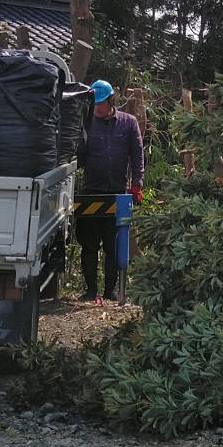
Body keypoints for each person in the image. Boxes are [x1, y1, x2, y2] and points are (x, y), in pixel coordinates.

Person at [76, 80, 144, 303]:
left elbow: (137, 156)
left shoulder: (128, 123)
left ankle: (110, 290)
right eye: (95, 104)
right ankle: (90, 289)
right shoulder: (86, 123)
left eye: (101, 104)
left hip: (117, 192)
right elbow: (77, 156)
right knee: (89, 244)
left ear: (111, 101)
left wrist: (137, 184)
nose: (98, 108)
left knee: (114, 244)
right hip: (90, 191)